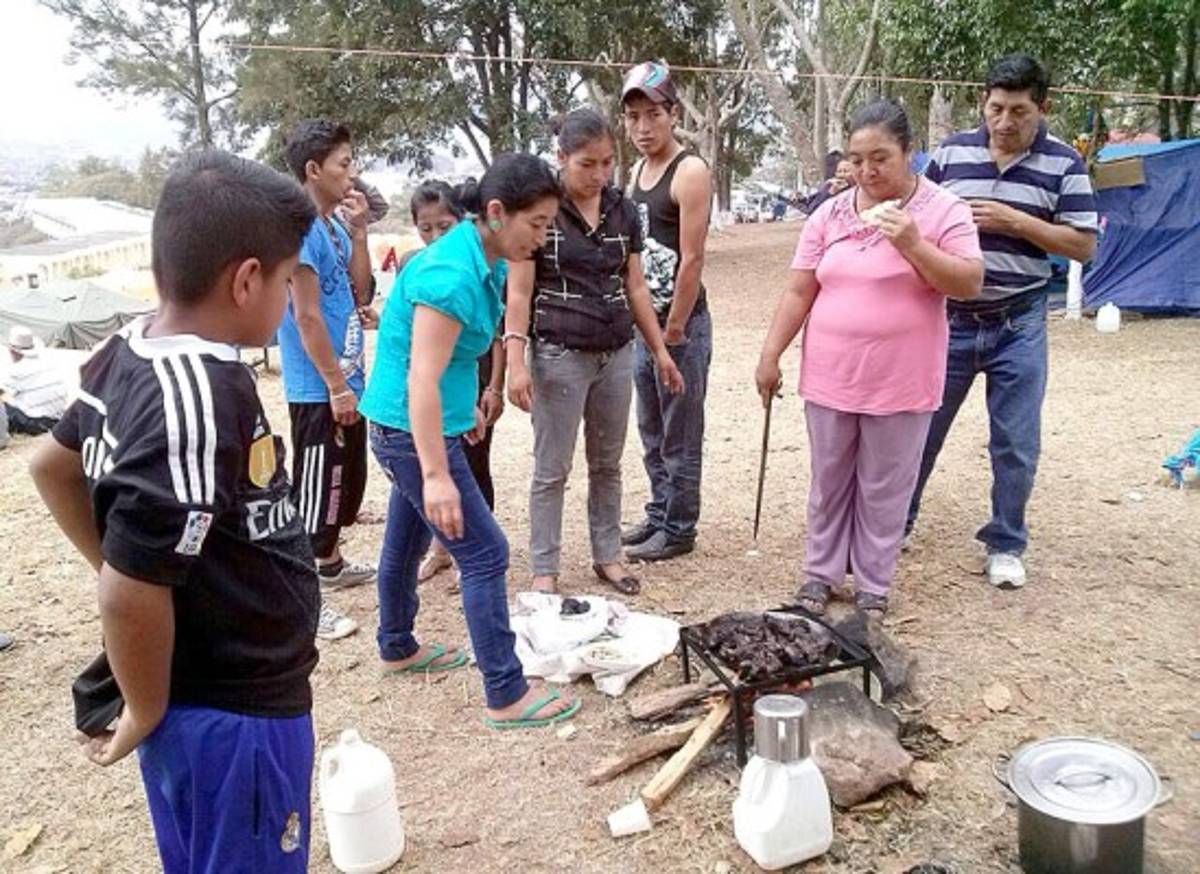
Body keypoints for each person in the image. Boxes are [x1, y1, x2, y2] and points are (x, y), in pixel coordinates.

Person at [29, 150, 320, 872]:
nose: (288, 297)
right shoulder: (198, 396)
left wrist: (138, 566)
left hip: (209, 699)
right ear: (248, 279)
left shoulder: (127, 349)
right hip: (234, 711)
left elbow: (51, 466)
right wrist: (146, 704)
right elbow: (130, 590)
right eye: (287, 280)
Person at [360, 153, 581, 730]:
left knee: (406, 539)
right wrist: (436, 474)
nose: (543, 236)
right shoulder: (451, 275)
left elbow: (465, 358)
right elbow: (422, 378)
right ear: (495, 212)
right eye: (535, 224)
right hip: (407, 430)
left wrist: (475, 406)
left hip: (420, 426)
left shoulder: (483, 258)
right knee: (484, 553)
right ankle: (505, 693)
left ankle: (396, 645)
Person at [755, 99, 983, 635]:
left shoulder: (943, 210)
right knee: (829, 479)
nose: (867, 171)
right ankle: (820, 573)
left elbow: (968, 283)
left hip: (902, 378)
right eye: (857, 159)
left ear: (909, 152)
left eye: (880, 157)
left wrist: (912, 242)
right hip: (832, 374)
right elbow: (799, 290)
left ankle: (874, 585)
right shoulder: (828, 214)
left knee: (885, 486)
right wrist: (771, 354)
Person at [905, 54, 1098, 589]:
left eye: (1019, 110)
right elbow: (916, 216)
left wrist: (1018, 221)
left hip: (1020, 321)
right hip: (951, 319)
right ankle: (897, 522)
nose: (1005, 122)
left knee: (1015, 441)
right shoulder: (950, 153)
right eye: (996, 108)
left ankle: (1006, 541)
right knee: (921, 427)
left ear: (1043, 106)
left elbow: (1084, 245)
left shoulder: (1064, 164)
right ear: (982, 104)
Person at [505, 109, 685, 595]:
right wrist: (516, 363)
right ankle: (545, 568)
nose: (599, 174)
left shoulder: (622, 210)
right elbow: (519, 292)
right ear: (561, 158)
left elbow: (637, 287)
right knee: (552, 469)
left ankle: (609, 556)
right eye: (587, 164)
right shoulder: (541, 211)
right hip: (559, 355)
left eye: (607, 163)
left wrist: (661, 350)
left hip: (616, 353)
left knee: (607, 463)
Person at [279, 119, 377, 640]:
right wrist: (335, 386)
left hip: (347, 379)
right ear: (313, 170)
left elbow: (359, 292)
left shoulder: (332, 226)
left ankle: (332, 565)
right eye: (344, 164)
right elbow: (307, 317)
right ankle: (302, 605)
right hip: (318, 387)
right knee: (316, 495)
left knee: (346, 486)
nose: (352, 173)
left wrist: (360, 233)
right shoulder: (295, 231)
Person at [619, 61, 714, 563]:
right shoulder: (637, 170)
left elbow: (693, 258)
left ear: (673, 113)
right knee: (652, 427)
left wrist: (673, 331)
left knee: (680, 431)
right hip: (645, 326)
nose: (642, 127)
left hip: (680, 327)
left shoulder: (690, 171)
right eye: (634, 117)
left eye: (652, 114)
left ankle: (679, 528)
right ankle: (659, 513)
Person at [403, 182, 508, 586]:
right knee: (428, 472)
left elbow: (497, 335)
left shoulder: (479, 267)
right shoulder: (422, 267)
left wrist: (494, 387)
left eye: (443, 226)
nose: (434, 237)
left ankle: (471, 549)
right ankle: (442, 549)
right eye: (425, 228)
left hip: (473, 380)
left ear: (462, 221)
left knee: (474, 466)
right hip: (431, 390)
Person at [2, 325, 69, 435]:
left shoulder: (16, 370)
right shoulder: (49, 363)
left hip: (37, 423)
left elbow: (3, 392)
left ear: (11, 350)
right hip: (57, 420)